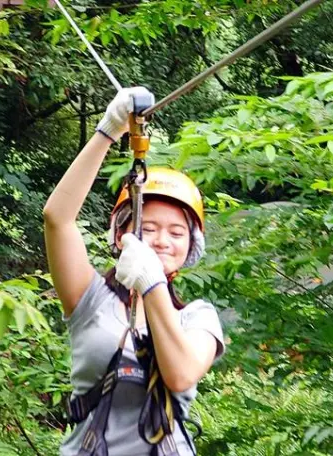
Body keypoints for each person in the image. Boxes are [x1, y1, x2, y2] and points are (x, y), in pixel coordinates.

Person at [43, 86, 225, 456]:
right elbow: (57, 219)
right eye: (149, 228)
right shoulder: (91, 298)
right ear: (121, 234)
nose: (161, 241)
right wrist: (108, 131)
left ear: (191, 247)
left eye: (176, 233)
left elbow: (179, 374)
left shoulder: (196, 317)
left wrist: (151, 283)